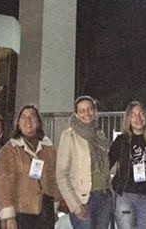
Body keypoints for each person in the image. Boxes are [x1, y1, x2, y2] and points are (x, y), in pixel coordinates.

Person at [0, 105, 60, 229]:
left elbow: (54, 177)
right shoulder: (9, 149)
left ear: (38, 122)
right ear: (18, 123)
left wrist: (56, 204)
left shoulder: (49, 148)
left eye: (32, 116)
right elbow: (3, 185)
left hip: (46, 212)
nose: (28, 120)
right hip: (21, 213)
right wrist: (9, 217)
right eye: (24, 117)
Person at [56, 96, 113, 229]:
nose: (86, 114)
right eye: (81, 111)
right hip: (82, 200)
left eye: (89, 109)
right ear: (76, 114)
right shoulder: (69, 136)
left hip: (103, 197)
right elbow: (61, 174)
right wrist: (74, 205)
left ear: (95, 111)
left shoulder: (100, 135)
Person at [109, 101, 146, 229]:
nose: (138, 118)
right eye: (133, 115)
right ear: (128, 119)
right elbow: (107, 163)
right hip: (125, 195)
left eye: (141, 114)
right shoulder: (121, 140)